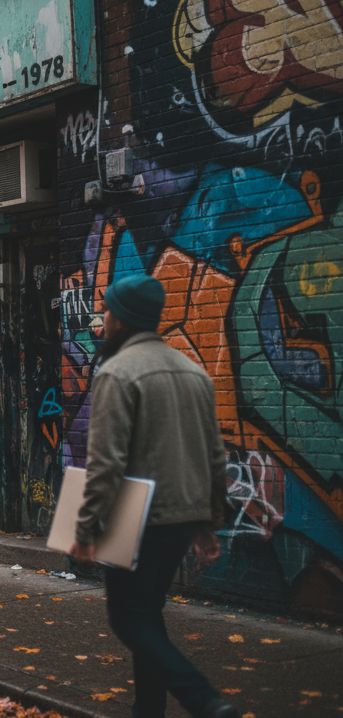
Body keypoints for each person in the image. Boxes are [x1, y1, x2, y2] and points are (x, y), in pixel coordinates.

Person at [68, 275, 237, 718]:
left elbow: (105, 465)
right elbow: (214, 456)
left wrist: (85, 529)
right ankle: (149, 710)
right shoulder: (193, 371)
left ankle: (203, 699)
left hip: (137, 521)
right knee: (147, 614)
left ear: (121, 317)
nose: (101, 320)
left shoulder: (117, 373)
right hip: (182, 519)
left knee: (128, 618)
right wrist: (207, 523)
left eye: (106, 311)